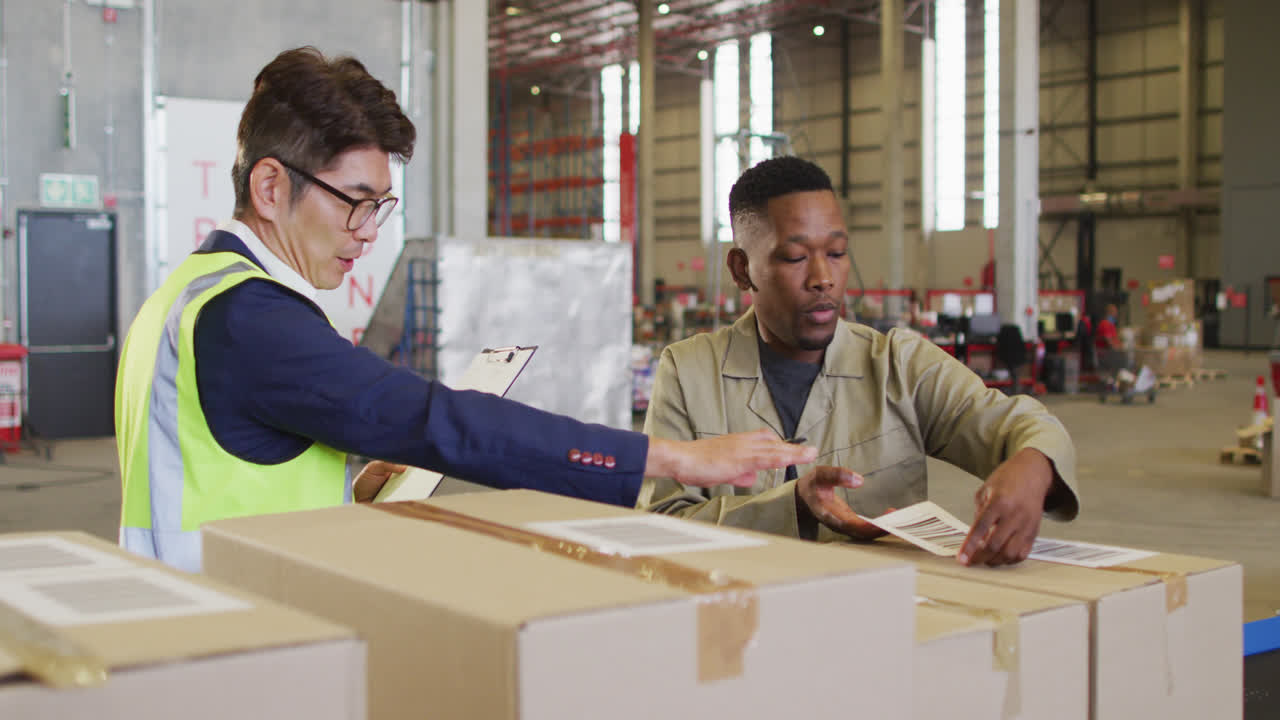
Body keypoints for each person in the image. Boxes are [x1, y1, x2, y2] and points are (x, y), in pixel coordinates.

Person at [115, 48, 815, 573]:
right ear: (271, 186)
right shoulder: (249, 320)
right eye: (356, 200)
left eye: (382, 206)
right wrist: (671, 457)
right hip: (238, 645)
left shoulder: (185, 297)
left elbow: (216, 468)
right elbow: (437, 421)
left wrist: (349, 488)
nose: (369, 228)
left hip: (196, 618)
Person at [637, 156, 1079, 567]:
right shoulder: (689, 372)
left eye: (836, 253)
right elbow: (660, 525)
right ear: (741, 270)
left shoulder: (899, 366)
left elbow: (1020, 424)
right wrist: (789, 506)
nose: (823, 278)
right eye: (795, 257)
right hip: (736, 621)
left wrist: (1033, 465)